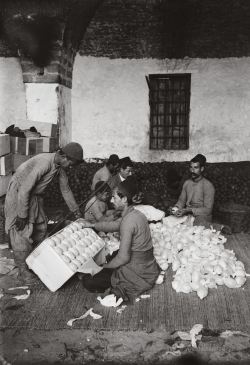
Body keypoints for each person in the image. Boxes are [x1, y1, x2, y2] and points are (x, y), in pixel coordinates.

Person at [4, 142, 84, 284]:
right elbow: (24, 190)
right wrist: (22, 214)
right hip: (19, 194)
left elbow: (65, 190)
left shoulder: (59, 167)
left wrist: (75, 210)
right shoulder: (44, 163)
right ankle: (23, 271)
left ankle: (34, 262)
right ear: (64, 157)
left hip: (34, 196)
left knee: (40, 228)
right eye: (71, 163)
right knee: (22, 232)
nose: (71, 166)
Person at [81, 178, 160, 303]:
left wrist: (104, 267)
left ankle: (116, 276)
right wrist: (94, 226)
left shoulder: (128, 221)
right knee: (114, 255)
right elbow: (115, 225)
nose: (112, 200)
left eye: (114, 197)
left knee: (88, 281)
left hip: (138, 271)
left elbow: (124, 258)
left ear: (124, 199)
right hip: (147, 264)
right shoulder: (136, 214)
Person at [170, 154, 215, 227]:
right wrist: (175, 208)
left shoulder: (208, 185)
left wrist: (189, 210)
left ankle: (219, 227)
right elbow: (181, 201)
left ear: (202, 169)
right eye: (191, 167)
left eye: (195, 168)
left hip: (202, 216)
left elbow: (208, 210)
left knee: (196, 226)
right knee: (166, 221)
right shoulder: (187, 183)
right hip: (187, 214)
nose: (192, 170)